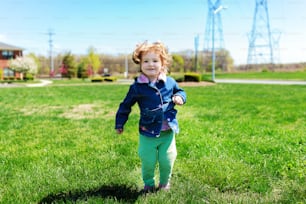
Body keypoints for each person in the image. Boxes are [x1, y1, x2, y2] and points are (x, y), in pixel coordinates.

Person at [115, 41, 187, 192]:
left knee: (167, 160)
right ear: (140, 64)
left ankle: (164, 183)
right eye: (146, 61)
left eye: (155, 61)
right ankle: (148, 183)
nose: (151, 64)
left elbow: (181, 91)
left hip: (167, 132)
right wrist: (120, 123)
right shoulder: (137, 87)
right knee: (148, 160)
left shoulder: (170, 82)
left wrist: (180, 97)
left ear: (162, 63)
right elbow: (125, 106)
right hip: (147, 132)